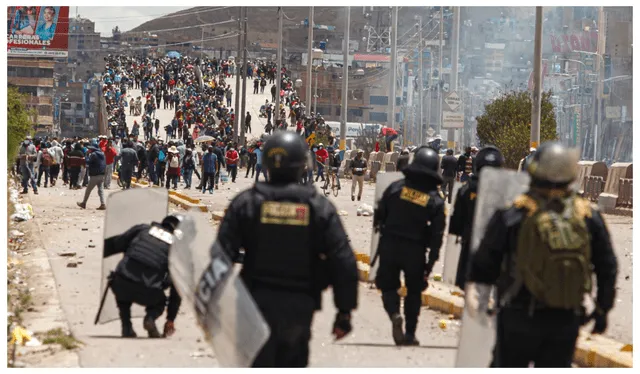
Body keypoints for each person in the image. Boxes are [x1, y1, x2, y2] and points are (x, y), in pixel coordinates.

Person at [210, 131, 358, 367]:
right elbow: (344, 261)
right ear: (304, 165)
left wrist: (212, 302)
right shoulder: (318, 207)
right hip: (299, 306)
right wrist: (344, 311)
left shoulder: (246, 203)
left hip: (253, 303)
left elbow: (220, 256)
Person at [466, 141, 618, 368]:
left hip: (518, 315)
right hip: (566, 318)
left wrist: (480, 301)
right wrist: (602, 309)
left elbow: (484, 264)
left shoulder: (514, 213)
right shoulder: (586, 215)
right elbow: (607, 266)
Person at [372, 146, 446, 346]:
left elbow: (379, 216)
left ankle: (395, 314)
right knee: (414, 292)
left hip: (390, 244)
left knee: (387, 286)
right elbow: (438, 235)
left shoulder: (395, 188)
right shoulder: (435, 200)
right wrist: (430, 265)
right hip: (415, 249)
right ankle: (411, 334)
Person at [103, 215, 183, 338]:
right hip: (148, 293)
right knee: (161, 301)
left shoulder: (142, 230)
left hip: (122, 285)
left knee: (122, 282)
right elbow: (176, 288)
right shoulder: (176, 249)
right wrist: (170, 319)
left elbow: (116, 243)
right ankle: (150, 318)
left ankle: (126, 326)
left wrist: (100, 252)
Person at [449, 146, 505, 289]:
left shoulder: (466, 190)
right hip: (497, 249)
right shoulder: (505, 192)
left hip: (470, 244)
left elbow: (455, 225)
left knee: (464, 287)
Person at [77, 145, 107, 210]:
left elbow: (88, 161)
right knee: (100, 190)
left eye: (89, 149)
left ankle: (83, 203)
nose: (88, 150)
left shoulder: (93, 154)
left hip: (95, 175)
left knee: (88, 190)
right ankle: (103, 204)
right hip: (102, 174)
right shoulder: (102, 154)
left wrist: (86, 155)